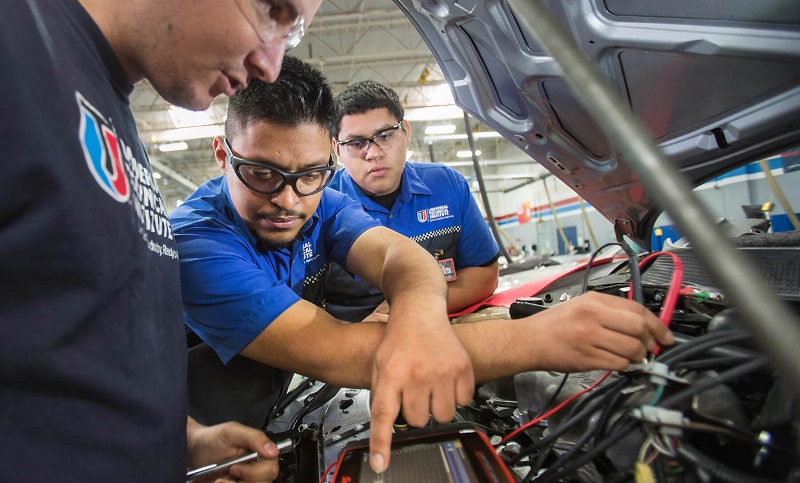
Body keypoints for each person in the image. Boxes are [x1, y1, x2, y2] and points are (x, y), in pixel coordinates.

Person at [170, 56, 674, 474]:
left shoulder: (321, 200)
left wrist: (416, 318)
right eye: (262, 174)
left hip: (279, 402)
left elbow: (401, 257)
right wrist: (537, 339)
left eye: (311, 174)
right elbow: (339, 352)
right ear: (222, 155)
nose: (288, 199)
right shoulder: (198, 242)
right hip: (204, 444)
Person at [0, 0, 321, 480]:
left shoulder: (104, 95)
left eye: (290, 33)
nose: (269, 66)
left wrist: (183, 440)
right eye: (271, 8)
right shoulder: (17, 45)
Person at [324, 80, 500, 322]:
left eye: (385, 136)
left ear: (405, 132)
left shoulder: (448, 186)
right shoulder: (319, 207)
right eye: (356, 143)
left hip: (438, 319)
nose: (373, 153)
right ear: (337, 149)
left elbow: (484, 274)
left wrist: (412, 306)